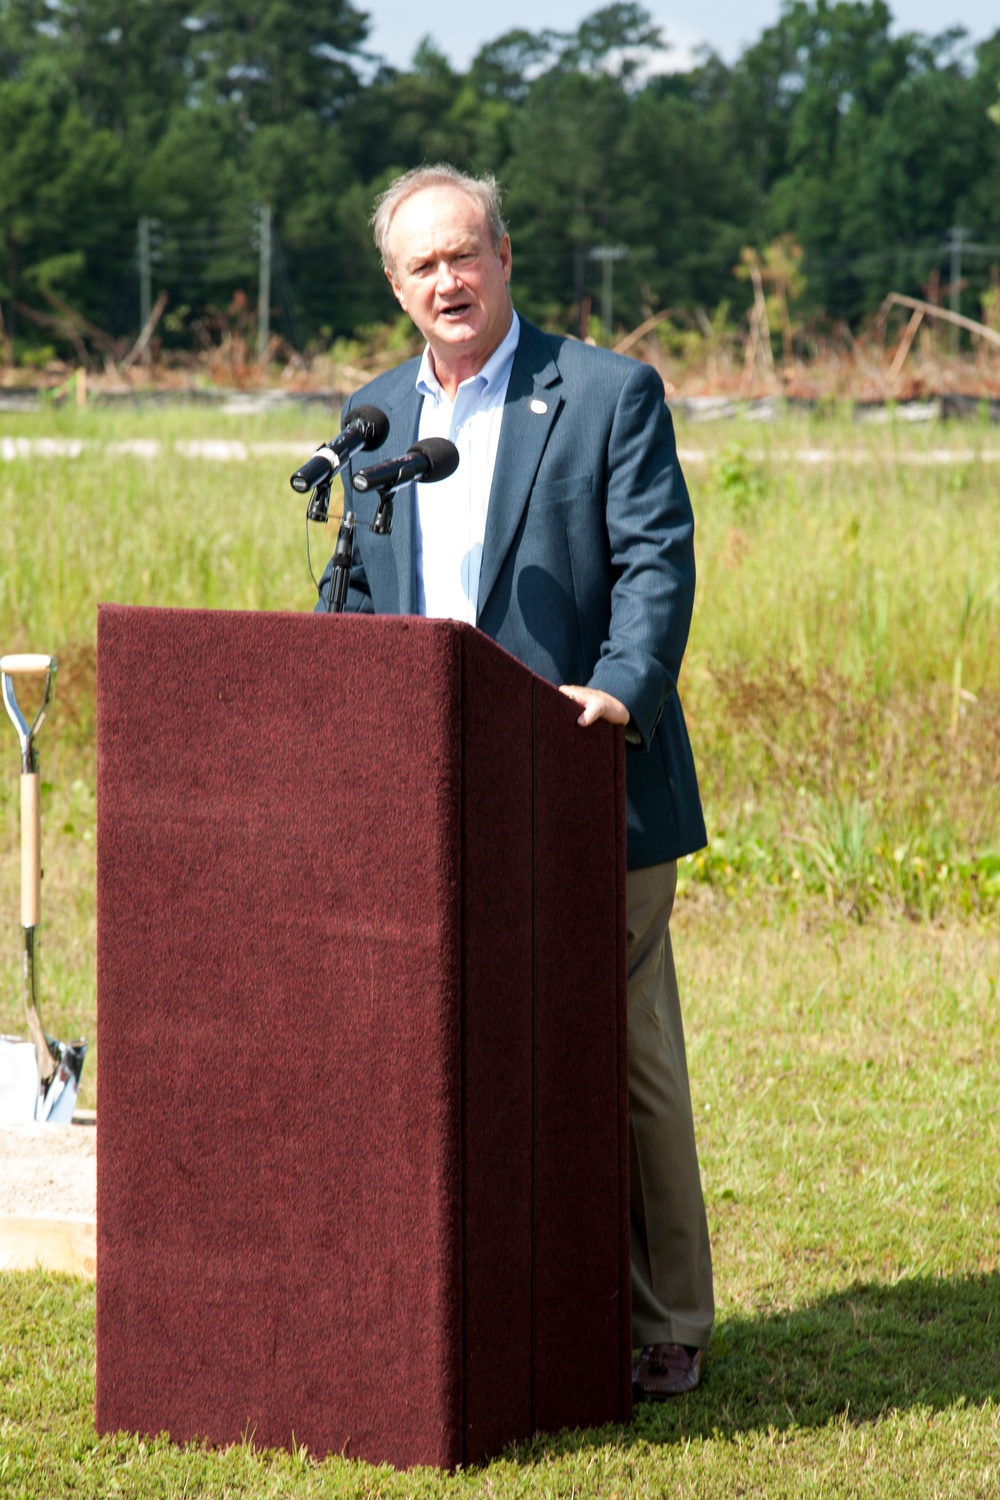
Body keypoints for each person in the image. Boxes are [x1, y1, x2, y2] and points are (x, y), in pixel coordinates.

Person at [317, 164, 714, 1398]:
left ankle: (667, 1320)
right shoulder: (372, 419)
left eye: (464, 255)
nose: (448, 280)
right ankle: (475, 1289)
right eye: (421, 265)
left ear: (504, 256)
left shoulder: (603, 394)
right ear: (395, 286)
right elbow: (360, 598)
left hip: (590, 772)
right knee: (448, 1054)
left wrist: (620, 688)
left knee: (624, 1052)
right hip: (435, 801)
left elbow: (656, 563)